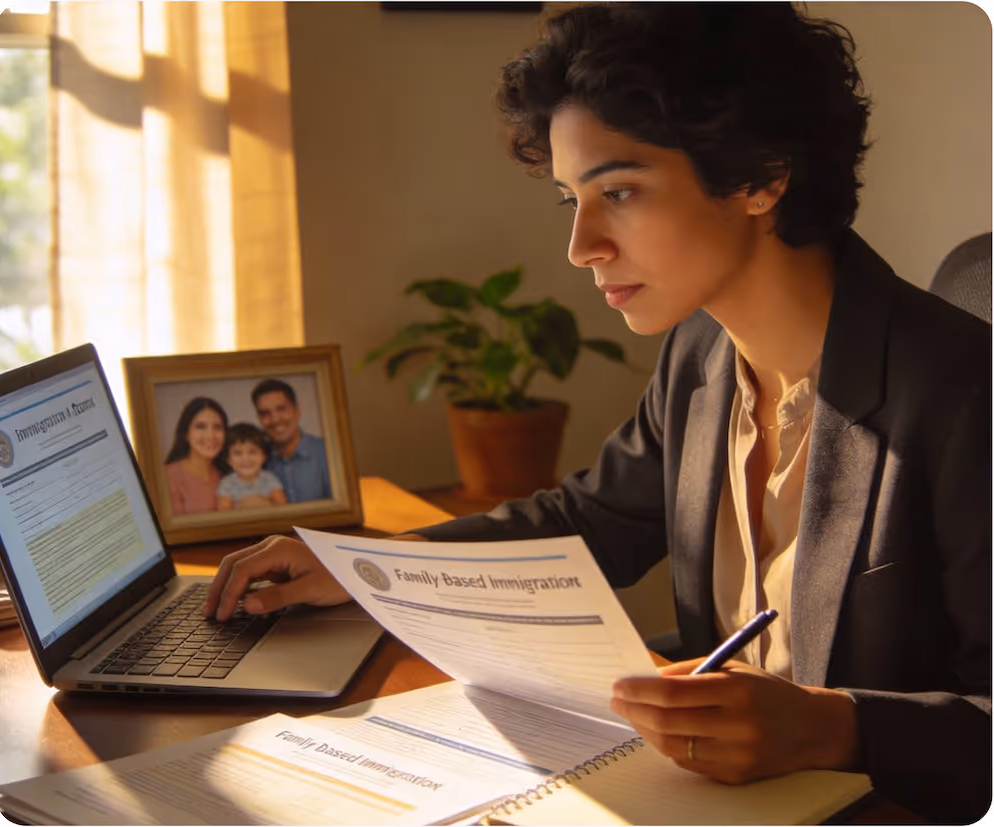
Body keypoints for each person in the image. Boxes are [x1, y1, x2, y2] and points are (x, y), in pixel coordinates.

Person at [204, 4, 991, 822]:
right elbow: (592, 518)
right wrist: (367, 568)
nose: (582, 245)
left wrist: (839, 726)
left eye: (618, 191)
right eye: (570, 199)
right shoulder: (703, 354)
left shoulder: (967, 394)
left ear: (762, 176)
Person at [250, 378, 332, 503]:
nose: (275, 419)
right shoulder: (256, 462)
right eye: (265, 413)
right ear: (259, 418)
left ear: (297, 410)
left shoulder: (328, 453)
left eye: (281, 409)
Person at [164, 397, 229, 515]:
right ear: (186, 433)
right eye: (201, 427)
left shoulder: (229, 476)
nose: (211, 436)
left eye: (217, 427)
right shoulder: (167, 477)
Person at [216, 423, 287, 511]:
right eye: (238, 453)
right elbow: (223, 515)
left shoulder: (269, 479)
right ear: (228, 460)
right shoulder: (227, 484)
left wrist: (265, 504)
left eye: (252, 452)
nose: (246, 458)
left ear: (264, 456)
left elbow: (283, 508)